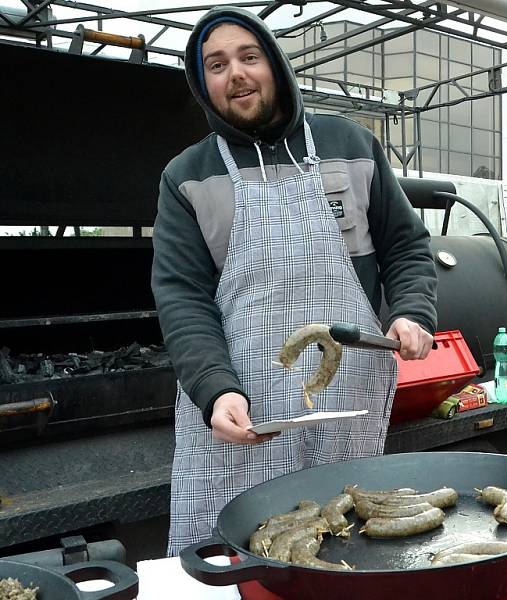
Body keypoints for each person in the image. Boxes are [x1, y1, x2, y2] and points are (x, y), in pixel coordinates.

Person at [151, 7, 437, 555]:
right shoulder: (187, 176)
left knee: (345, 547)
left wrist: (410, 312)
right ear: (202, 83)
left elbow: (406, 247)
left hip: (343, 399)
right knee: (238, 556)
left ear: (275, 65)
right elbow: (182, 297)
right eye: (215, 64)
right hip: (246, 408)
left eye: (248, 57)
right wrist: (216, 390)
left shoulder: (351, 146)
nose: (234, 74)